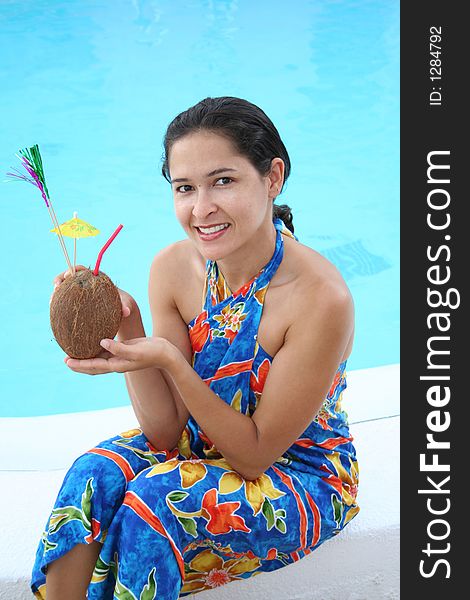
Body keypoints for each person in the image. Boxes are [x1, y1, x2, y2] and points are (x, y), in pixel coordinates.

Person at [31, 96, 360, 600]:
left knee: (158, 502)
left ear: (272, 177)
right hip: (201, 444)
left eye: (222, 181)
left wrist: (168, 359)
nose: (200, 208)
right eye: (184, 188)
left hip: (298, 471)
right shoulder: (172, 269)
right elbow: (165, 433)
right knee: (92, 474)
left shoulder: (320, 297)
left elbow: (254, 456)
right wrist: (130, 328)